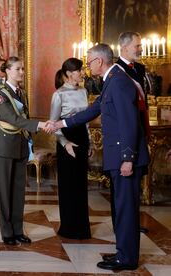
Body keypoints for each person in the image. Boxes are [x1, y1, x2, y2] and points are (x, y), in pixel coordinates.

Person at [52, 44, 150, 270]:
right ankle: (123, 253)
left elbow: (129, 122)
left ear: (99, 61)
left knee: (125, 210)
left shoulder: (118, 81)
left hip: (125, 158)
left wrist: (128, 158)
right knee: (120, 208)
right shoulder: (112, 80)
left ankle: (126, 259)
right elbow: (92, 110)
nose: (87, 65)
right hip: (119, 157)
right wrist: (61, 123)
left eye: (88, 61)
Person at [0, 56, 50, 245]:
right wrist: (39, 124)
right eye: (18, 69)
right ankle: (7, 232)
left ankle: (17, 230)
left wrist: (30, 139)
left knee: (18, 192)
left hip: (21, 145)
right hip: (4, 146)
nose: (22, 72)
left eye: (23, 69)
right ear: (7, 71)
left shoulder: (21, 93)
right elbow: (12, 118)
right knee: (5, 192)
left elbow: (24, 117)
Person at [50, 58, 92, 240]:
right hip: (66, 139)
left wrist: (89, 142)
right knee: (69, 185)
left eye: (82, 70)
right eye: (80, 70)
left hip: (82, 137)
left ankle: (82, 228)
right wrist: (65, 143)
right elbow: (53, 125)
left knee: (81, 184)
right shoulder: (58, 94)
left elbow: (86, 121)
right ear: (69, 73)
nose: (83, 73)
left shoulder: (84, 91)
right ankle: (68, 227)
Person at [116, 31, 150, 234]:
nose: (140, 49)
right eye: (137, 45)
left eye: (140, 45)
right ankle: (121, 225)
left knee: (136, 180)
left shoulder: (140, 68)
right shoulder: (116, 70)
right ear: (124, 47)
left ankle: (133, 223)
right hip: (126, 132)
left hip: (139, 127)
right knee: (125, 185)